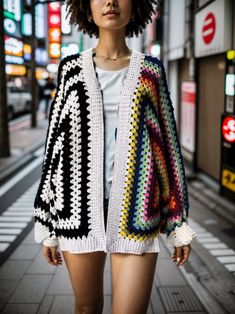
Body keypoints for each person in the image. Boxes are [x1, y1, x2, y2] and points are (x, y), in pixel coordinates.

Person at [33, 1, 197, 313]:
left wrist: (177, 221)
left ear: (135, 6)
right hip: (76, 213)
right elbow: (54, 150)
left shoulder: (151, 71)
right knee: (86, 306)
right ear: (85, 7)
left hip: (137, 213)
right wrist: (46, 222)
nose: (110, 2)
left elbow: (168, 149)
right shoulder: (70, 71)